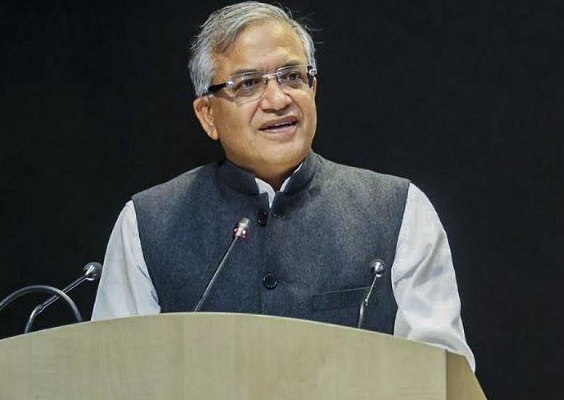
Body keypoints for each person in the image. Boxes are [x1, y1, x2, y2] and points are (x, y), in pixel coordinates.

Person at [92, 1, 475, 370]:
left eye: (292, 77)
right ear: (208, 115)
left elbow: (441, 377)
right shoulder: (147, 223)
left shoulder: (398, 210)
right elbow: (111, 377)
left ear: (313, 89)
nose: (277, 100)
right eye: (248, 84)